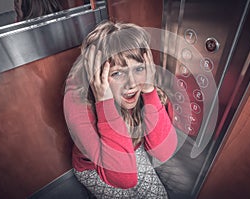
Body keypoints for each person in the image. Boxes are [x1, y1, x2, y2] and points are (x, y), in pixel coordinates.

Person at [63, 21, 177, 198]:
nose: (132, 84)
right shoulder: (77, 102)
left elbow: (163, 152)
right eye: (117, 73)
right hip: (93, 167)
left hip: (131, 150)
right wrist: (104, 103)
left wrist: (149, 91)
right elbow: (124, 179)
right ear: (97, 76)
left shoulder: (144, 84)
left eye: (138, 69)